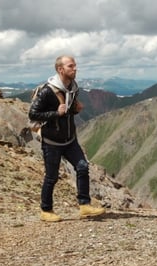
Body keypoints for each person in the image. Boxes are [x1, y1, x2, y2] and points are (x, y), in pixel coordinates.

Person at [28, 55, 105, 222]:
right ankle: (46, 210)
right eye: (71, 66)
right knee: (52, 177)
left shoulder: (73, 87)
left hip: (69, 139)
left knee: (83, 167)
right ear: (60, 70)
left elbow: (67, 112)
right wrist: (56, 113)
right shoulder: (47, 91)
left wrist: (74, 110)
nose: (75, 68)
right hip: (52, 142)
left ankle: (84, 205)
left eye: (75, 65)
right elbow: (33, 114)